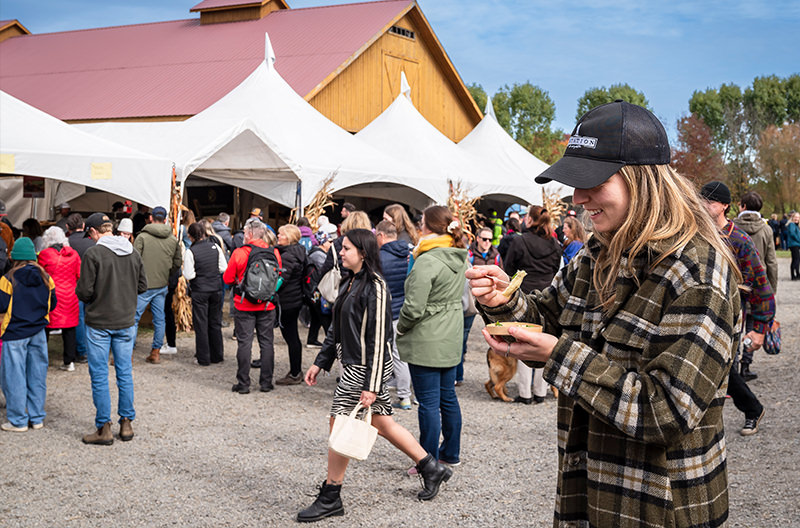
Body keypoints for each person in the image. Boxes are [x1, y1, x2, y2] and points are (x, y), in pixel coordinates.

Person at [468, 101, 741, 527]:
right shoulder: (596, 254)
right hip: (589, 493)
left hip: (660, 508)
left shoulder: (699, 273)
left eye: (592, 182)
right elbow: (548, 320)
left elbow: (666, 411)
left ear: (643, 181)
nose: (578, 198)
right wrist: (505, 302)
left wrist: (559, 356)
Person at [299, 229, 452, 523]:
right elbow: (336, 329)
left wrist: (372, 384)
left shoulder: (376, 287)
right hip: (355, 365)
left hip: (365, 369)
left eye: (345, 248)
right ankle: (431, 467)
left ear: (363, 253)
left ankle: (331, 495)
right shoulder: (350, 281)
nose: (340, 252)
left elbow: (382, 338)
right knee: (382, 424)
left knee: (340, 424)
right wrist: (321, 362)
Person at [397, 205, 468, 467]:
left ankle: (426, 459)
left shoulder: (427, 259)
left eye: (421, 221)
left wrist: (401, 327)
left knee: (428, 402)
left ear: (428, 227)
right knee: (447, 396)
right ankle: (451, 452)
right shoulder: (459, 254)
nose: (418, 226)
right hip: (450, 332)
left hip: (427, 335)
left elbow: (414, 306)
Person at [700, 181, 773, 435]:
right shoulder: (697, 235)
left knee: (721, 367)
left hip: (730, 313)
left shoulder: (738, 239)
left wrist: (761, 327)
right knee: (709, 365)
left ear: (725, 206)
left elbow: (761, 285)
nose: (704, 205)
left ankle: (753, 410)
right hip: (701, 310)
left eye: (710, 201)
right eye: (702, 200)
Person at [77, 213, 147, 445]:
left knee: (99, 375)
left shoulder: (94, 253)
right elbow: (142, 286)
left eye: (90, 234)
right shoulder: (132, 251)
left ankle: (103, 427)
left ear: (95, 231)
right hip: (125, 320)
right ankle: (126, 423)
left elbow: (84, 292)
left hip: (99, 321)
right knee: (124, 372)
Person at [503, 206, 561, 405]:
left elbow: (508, 267)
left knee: (523, 343)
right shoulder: (555, 244)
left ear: (529, 219)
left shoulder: (519, 241)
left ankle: (525, 393)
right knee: (545, 341)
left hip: (524, 294)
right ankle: (540, 391)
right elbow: (556, 269)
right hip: (549, 296)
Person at [0, 238, 57, 432]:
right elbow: (53, 303)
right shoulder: (46, 277)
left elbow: (1, 305)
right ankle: (37, 417)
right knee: (37, 375)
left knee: (14, 376)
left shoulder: (8, 279)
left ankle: (18, 420)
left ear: (14, 257)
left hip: (14, 332)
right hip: (38, 331)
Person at [223, 218, 281, 394]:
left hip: (244, 305)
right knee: (267, 342)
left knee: (244, 343)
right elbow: (277, 278)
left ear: (248, 234)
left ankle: (243, 383)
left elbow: (227, 279)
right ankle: (266, 382)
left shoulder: (240, 253)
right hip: (267, 305)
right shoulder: (274, 253)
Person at [132, 206, 182, 365]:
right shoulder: (172, 239)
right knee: (160, 319)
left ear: (151, 218)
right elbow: (177, 263)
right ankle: (155, 352)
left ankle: (127, 353)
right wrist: (167, 275)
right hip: (161, 284)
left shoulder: (142, 238)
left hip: (143, 285)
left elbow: (134, 261)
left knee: (133, 319)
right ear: (166, 219)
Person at [376, 220, 413, 410]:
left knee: (382, 353)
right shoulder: (410, 252)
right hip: (406, 310)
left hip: (386, 310)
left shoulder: (379, 257)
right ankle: (406, 396)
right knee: (401, 354)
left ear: (381, 235)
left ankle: (393, 395)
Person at [183, 222, 227, 366]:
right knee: (215, 322)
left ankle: (204, 357)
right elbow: (223, 267)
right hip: (215, 288)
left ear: (190, 236)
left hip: (200, 290)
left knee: (201, 324)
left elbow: (189, 274)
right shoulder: (215, 247)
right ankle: (217, 355)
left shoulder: (191, 251)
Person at [38, 227, 81, 371]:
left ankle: (42, 360)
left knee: (46, 327)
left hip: (51, 296)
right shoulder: (74, 254)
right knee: (69, 328)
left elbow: (39, 275)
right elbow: (79, 275)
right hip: (70, 296)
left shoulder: (44, 254)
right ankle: (69, 362)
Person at [274, 224, 307, 385]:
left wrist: (271, 291)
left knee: (291, 337)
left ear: (288, 237)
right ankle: (295, 371)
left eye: (280, 234)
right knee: (292, 336)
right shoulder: (297, 251)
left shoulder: (288, 256)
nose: (277, 236)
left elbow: (281, 279)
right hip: (295, 298)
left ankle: (295, 372)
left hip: (287, 301)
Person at [733, 191, 778, 292]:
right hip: (760, 278)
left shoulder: (731, 227)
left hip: (736, 279)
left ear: (743, 206)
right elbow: (771, 261)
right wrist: (772, 288)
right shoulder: (767, 229)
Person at [65, 213, 95, 362]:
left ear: (67, 227)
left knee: (78, 318)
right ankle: (92, 348)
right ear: (83, 226)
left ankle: (81, 351)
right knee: (91, 318)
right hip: (91, 284)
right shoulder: (92, 243)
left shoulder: (66, 244)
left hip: (73, 285)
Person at [788, 212, 800, 281]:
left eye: (798, 217)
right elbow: (793, 234)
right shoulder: (792, 225)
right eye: (796, 217)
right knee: (796, 260)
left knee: (796, 259)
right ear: (793, 217)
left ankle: (797, 274)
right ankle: (794, 275)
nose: (797, 219)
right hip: (794, 244)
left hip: (796, 244)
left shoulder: (796, 225)